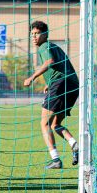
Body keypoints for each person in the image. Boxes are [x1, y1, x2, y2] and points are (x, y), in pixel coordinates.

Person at [22, 21, 80, 170]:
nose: (34, 37)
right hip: (72, 84)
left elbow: (50, 61)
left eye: (37, 33)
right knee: (55, 124)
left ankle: (55, 159)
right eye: (32, 34)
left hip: (61, 84)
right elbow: (60, 65)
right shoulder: (54, 46)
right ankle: (75, 144)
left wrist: (32, 77)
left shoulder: (44, 46)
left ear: (45, 34)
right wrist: (49, 83)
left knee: (44, 123)